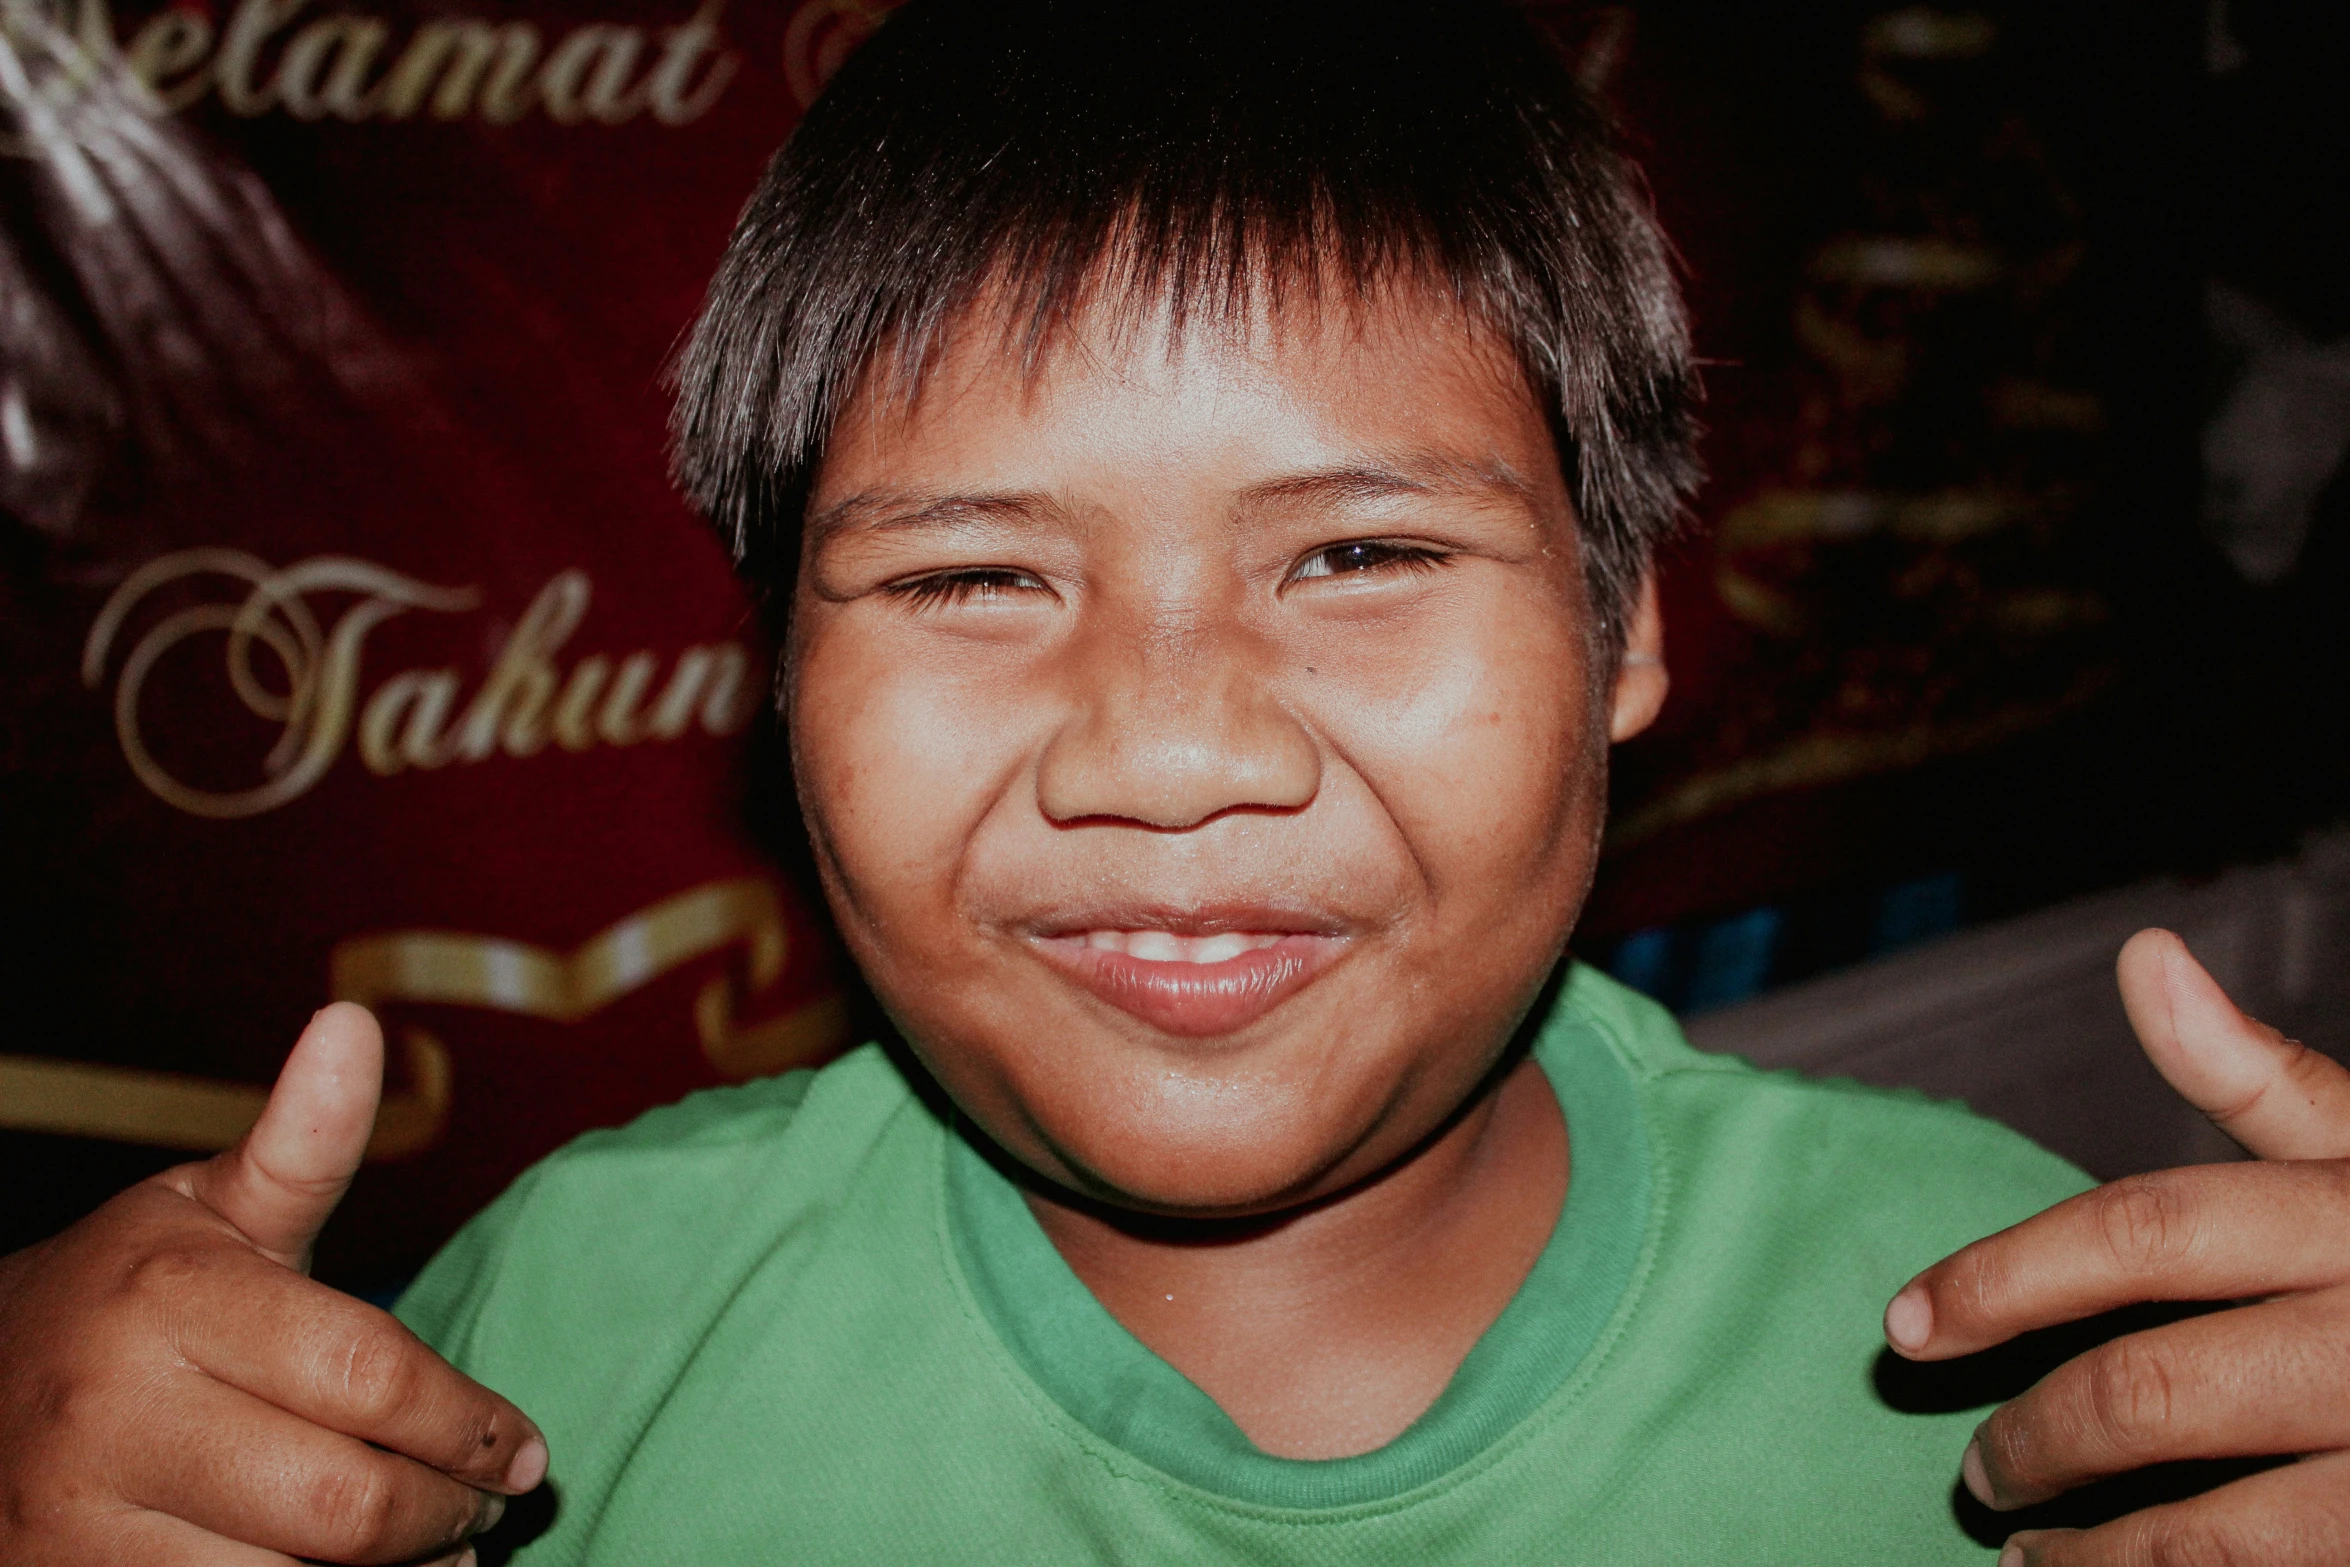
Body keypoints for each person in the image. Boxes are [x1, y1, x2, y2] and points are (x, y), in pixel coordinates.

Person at [5, 3, 2349, 1562]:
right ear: (776, 677)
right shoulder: (556, 1339)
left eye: (1357, 550)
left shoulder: (2022, 1350)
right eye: (967, 582)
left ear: (1625, 628)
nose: (1169, 750)